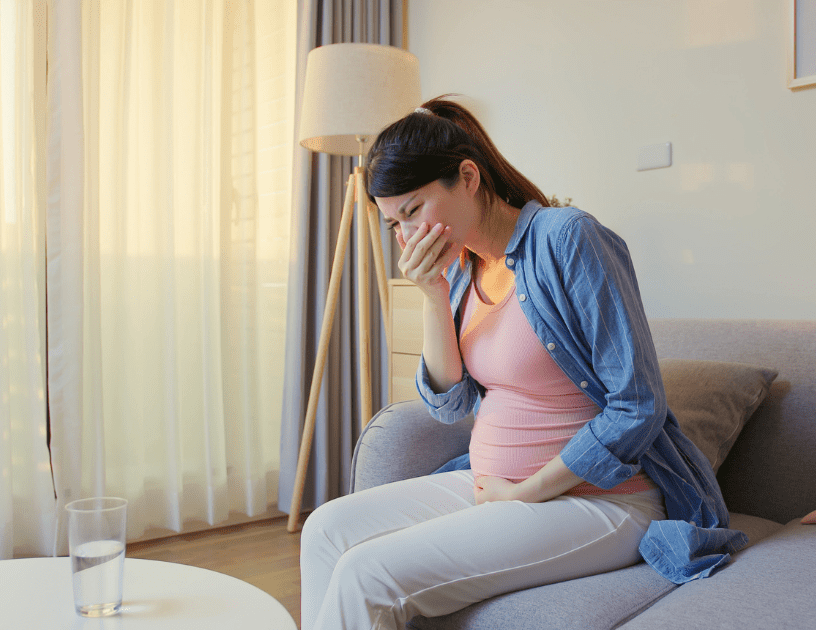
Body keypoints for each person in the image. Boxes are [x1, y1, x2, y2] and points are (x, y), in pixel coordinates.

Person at [299, 97, 747, 630]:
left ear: (467, 176)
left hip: (601, 501)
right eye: (394, 223)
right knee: (324, 529)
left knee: (367, 575)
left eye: (414, 210)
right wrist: (433, 295)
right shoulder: (463, 265)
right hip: (492, 484)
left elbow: (638, 404)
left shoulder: (567, 239)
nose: (408, 237)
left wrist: (523, 494)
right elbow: (449, 405)